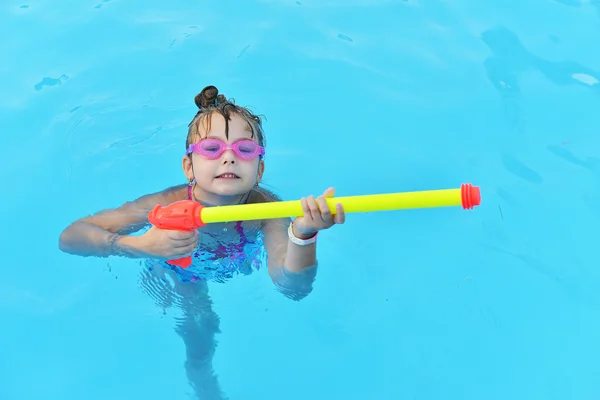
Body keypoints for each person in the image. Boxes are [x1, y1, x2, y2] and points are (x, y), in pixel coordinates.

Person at [58, 85, 346, 399]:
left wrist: (303, 235)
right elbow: (71, 237)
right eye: (211, 149)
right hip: (180, 270)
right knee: (201, 331)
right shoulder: (166, 202)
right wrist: (138, 246)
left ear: (259, 169)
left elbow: (292, 287)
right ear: (188, 166)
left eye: (245, 150)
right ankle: (201, 378)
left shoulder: (268, 210)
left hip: (230, 260)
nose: (229, 159)